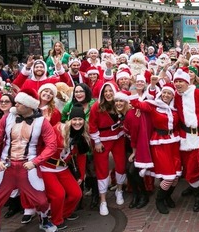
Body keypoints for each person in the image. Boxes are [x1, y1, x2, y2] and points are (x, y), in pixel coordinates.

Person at [0, 88, 57, 232]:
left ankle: (44, 220)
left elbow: (52, 145)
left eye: (18, 103)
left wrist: (36, 161)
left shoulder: (42, 121)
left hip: (28, 166)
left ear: (29, 105)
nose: (14, 105)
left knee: (42, 201)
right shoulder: (8, 117)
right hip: (6, 166)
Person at [130, 84, 181, 214]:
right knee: (168, 176)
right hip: (159, 144)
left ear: (172, 96)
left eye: (169, 93)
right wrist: (135, 87)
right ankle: (159, 200)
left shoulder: (175, 109)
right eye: (164, 93)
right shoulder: (153, 106)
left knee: (176, 176)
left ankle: (167, 196)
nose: (165, 95)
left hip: (174, 143)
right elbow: (136, 103)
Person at [172, 68, 199, 212]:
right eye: (176, 81)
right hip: (184, 137)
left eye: (180, 81)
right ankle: (195, 186)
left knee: (195, 167)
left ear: (187, 81)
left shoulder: (198, 93)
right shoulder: (175, 96)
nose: (178, 84)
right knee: (188, 167)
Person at [41, 105, 88, 230]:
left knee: (76, 194)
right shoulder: (57, 129)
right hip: (47, 167)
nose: (77, 122)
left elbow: (81, 156)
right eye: (74, 119)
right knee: (58, 194)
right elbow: (41, 142)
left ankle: (61, 214)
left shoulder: (81, 135)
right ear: (69, 120)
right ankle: (56, 220)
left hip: (63, 168)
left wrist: (81, 175)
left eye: (80, 119)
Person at [88, 82, 126, 216]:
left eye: (111, 91)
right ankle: (103, 200)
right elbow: (92, 125)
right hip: (102, 140)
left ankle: (119, 190)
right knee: (102, 168)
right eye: (106, 91)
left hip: (119, 137)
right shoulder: (96, 107)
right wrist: (97, 142)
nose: (108, 93)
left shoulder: (119, 103)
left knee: (121, 164)